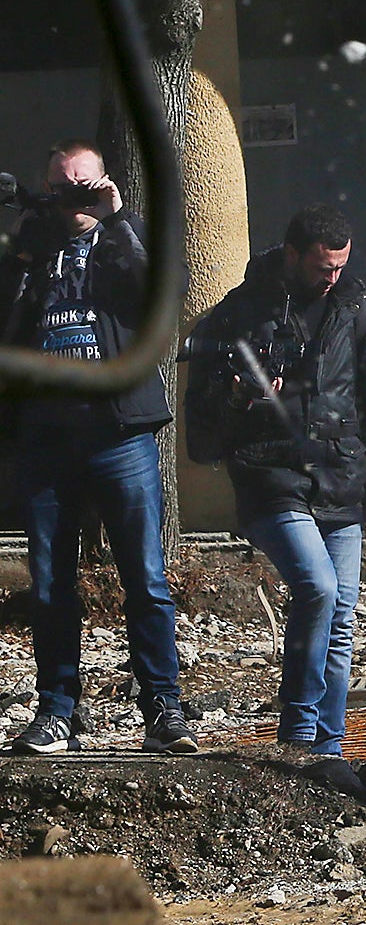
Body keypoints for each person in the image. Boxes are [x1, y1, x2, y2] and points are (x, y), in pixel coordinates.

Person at [184, 203, 366, 789]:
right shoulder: (239, 314)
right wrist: (238, 398)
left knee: (341, 613)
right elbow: (201, 428)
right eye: (322, 267)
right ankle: (297, 733)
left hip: (339, 474)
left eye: (340, 266)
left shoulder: (353, 307)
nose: (332, 277)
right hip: (271, 476)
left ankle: (329, 747)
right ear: (291, 255)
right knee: (318, 587)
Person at [0, 140, 195, 756]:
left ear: (106, 183)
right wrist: (20, 248)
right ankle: (58, 709)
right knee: (52, 583)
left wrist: (118, 220)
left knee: (145, 577)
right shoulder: (33, 250)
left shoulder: (121, 243)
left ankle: (164, 709)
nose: (74, 196)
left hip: (119, 434)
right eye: (64, 186)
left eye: (85, 183)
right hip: (47, 440)